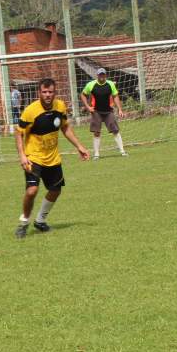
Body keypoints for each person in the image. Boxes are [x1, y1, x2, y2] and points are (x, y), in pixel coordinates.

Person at [15, 78, 89, 239]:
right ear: (39, 93)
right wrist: (22, 155)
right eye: (44, 92)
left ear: (55, 92)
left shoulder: (60, 106)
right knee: (32, 190)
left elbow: (65, 127)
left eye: (50, 92)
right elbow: (19, 133)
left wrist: (79, 146)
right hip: (33, 157)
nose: (47, 95)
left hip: (52, 157)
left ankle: (40, 221)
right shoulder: (30, 111)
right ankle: (24, 222)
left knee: (55, 190)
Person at [81, 68, 127, 160]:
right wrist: (88, 107)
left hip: (108, 111)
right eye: (100, 74)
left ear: (105, 75)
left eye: (103, 74)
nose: (101, 76)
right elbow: (82, 95)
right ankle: (96, 154)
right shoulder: (91, 85)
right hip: (96, 111)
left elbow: (115, 96)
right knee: (97, 132)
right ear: (97, 75)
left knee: (115, 130)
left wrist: (120, 109)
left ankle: (122, 151)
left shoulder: (110, 84)